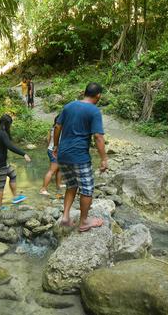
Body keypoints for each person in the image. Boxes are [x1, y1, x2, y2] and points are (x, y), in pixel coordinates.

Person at [52, 82, 108, 232]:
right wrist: (104, 158)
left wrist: (56, 147)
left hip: (63, 155)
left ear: (84, 92)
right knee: (87, 189)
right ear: (98, 96)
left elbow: (57, 127)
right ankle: (84, 222)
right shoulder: (94, 111)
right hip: (79, 156)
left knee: (71, 185)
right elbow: (98, 136)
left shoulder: (69, 106)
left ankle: (65, 217)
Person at [0, 114, 31, 209]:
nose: (10, 127)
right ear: (6, 124)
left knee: (12, 174)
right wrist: (24, 154)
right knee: (1, 185)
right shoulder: (2, 133)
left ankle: (15, 197)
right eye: (10, 124)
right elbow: (10, 146)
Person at [39, 115, 63, 196]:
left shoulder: (52, 129)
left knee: (59, 169)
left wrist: (49, 147)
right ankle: (43, 189)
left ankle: (58, 185)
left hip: (52, 150)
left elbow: (47, 139)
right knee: (52, 170)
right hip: (55, 151)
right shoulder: (60, 129)